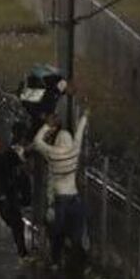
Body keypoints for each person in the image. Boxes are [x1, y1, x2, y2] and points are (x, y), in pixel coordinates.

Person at [33, 112, 89, 267]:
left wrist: (47, 125)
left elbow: (37, 142)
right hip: (74, 197)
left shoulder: (52, 152)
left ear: (58, 141)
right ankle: (78, 263)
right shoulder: (74, 150)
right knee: (77, 233)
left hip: (60, 198)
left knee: (58, 232)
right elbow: (79, 133)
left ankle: (56, 261)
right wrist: (84, 116)